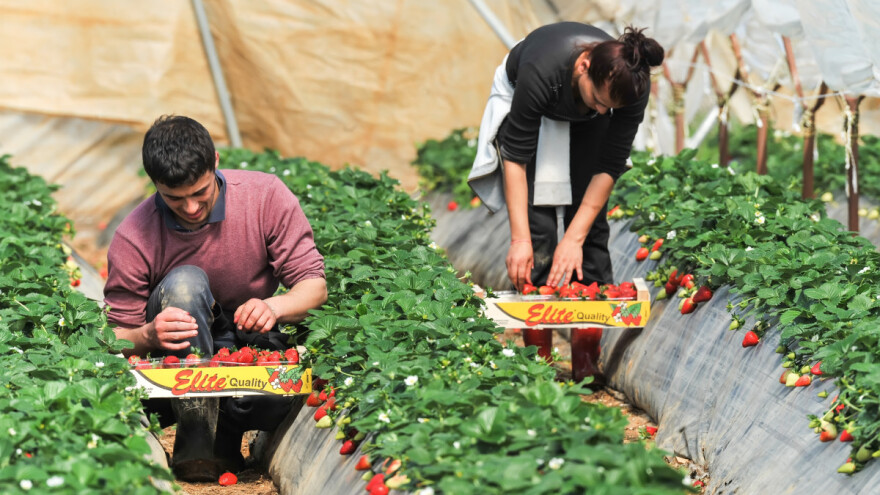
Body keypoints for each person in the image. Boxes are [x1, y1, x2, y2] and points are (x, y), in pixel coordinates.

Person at [103, 115, 328, 481]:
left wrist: (273, 306)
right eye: (174, 198)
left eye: (200, 192)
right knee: (184, 285)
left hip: (246, 345)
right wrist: (147, 336)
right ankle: (197, 442)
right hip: (175, 363)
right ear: (155, 184)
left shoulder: (265, 197)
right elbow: (114, 336)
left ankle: (225, 435)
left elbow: (314, 286)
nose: (191, 208)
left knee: (273, 398)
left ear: (216, 163)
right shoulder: (134, 236)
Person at [468, 22, 664, 382]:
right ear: (583, 65)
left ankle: (586, 366)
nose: (605, 111)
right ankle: (538, 361)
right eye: (599, 101)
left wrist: (573, 238)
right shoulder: (542, 68)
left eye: (611, 107)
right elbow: (517, 156)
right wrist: (520, 240)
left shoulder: (629, 85)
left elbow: (608, 165)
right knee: (537, 229)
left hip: (578, 108)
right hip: (540, 97)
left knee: (590, 232)